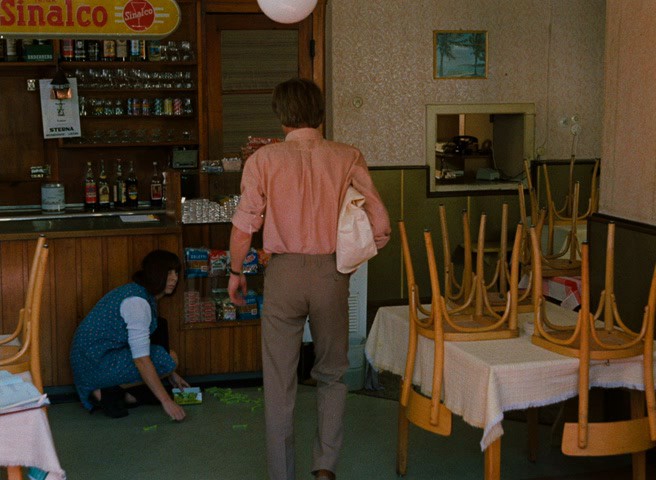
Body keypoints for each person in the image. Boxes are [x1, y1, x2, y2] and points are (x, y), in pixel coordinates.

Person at [228, 78, 391, 480]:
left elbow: (245, 227)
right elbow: (380, 223)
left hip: (283, 273)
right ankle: (324, 469)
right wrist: (358, 253)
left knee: (278, 380)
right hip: (330, 273)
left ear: (281, 115)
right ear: (320, 113)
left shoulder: (263, 160)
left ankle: (281, 474)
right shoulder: (347, 155)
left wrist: (236, 271)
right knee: (332, 374)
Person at [70, 249, 189, 420]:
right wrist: (167, 402)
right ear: (154, 274)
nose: (174, 278)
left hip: (92, 358)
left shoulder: (136, 292)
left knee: (164, 357)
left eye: (176, 273)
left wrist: (172, 374)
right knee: (170, 358)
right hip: (94, 364)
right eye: (168, 272)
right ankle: (104, 390)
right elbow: (141, 359)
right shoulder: (137, 303)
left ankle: (114, 393)